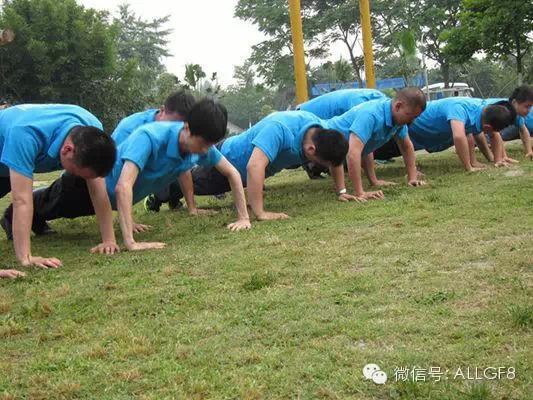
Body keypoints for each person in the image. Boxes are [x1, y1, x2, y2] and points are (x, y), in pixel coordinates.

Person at [2, 99, 251, 252]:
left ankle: (31, 214)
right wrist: (130, 241)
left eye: (210, 145)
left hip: (107, 192)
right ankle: (13, 215)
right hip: (88, 183)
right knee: (54, 203)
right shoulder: (150, 137)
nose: (207, 151)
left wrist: (243, 217)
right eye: (204, 143)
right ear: (187, 128)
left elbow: (231, 172)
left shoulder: (199, 147)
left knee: (55, 205)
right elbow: (123, 186)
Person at [145, 110, 350, 219]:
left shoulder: (321, 130)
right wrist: (260, 212)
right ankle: (157, 195)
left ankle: (172, 195)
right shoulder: (279, 129)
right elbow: (254, 167)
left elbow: (335, 158)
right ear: (311, 150)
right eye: (318, 163)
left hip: (247, 169)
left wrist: (341, 191)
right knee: (196, 183)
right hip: (228, 160)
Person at [0, 104, 116, 274]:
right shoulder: (25, 135)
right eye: (76, 172)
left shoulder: (92, 130)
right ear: (67, 150)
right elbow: (21, 200)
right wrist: (26, 257)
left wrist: (109, 240)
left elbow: (99, 192)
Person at [325, 87, 427, 202]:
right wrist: (360, 192)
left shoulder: (398, 120)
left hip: (339, 150)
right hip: (321, 141)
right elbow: (353, 153)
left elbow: (406, 147)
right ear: (398, 106)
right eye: (411, 115)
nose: (412, 121)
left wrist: (412, 178)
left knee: (364, 142)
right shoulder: (371, 115)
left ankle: (373, 181)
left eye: (415, 117)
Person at [373, 97, 516, 171]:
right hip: (408, 129)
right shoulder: (460, 108)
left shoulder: (482, 112)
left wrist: (496, 160)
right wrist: (468, 167)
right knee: (375, 151)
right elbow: (459, 136)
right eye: (489, 131)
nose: (490, 134)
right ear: (487, 127)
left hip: (421, 139)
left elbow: (477, 134)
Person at [296, 88, 387, 179]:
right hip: (305, 116)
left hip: (310, 114)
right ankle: (312, 167)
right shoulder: (365, 106)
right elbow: (361, 141)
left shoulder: (376, 99)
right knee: (319, 149)